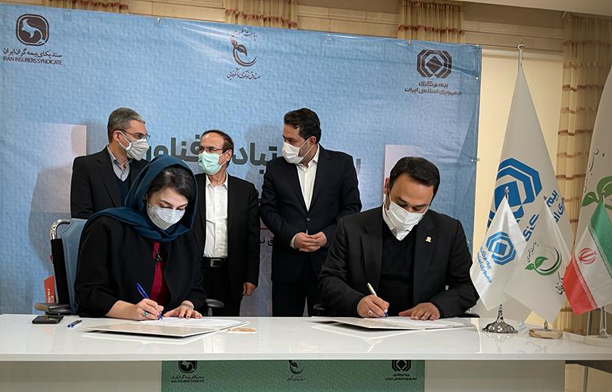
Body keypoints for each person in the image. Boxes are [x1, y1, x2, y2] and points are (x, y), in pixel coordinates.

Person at [318, 157, 478, 319]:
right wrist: (357, 302)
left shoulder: (448, 231)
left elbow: (468, 287)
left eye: (418, 208)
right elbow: (329, 280)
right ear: (387, 186)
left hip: (422, 328)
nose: (408, 212)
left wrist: (437, 307)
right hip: (367, 326)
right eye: (401, 204)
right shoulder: (351, 227)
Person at [75, 156, 206, 319]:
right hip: (116, 325)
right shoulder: (107, 226)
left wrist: (186, 306)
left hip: (170, 326)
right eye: (164, 206)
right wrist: (129, 310)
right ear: (145, 194)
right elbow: (89, 291)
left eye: (181, 208)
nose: (172, 214)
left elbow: (196, 287)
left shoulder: (185, 234)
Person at [260, 108, 361, 316]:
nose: (286, 145)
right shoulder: (275, 168)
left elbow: (352, 208)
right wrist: (292, 237)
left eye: (292, 141)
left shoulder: (341, 164)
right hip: (288, 266)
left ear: (311, 141)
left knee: (327, 329)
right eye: (284, 139)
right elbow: (268, 210)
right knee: (284, 330)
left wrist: (328, 236)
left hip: (328, 266)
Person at [191, 130, 260, 316]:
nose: (204, 154)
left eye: (211, 149)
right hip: (195, 272)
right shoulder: (189, 185)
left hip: (230, 273)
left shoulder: (245, 191)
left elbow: (252, 238)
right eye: (201, 149)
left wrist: (250, 276)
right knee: (191, 326)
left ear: (227, 155)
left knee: (227, 328)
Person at [70, 107, 150, 218]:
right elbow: (82, 216)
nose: (144, 142)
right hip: (99, 229)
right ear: (118, 136)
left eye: (145, 137)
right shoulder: (86, 166)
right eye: (138, 136)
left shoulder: (146, 168)